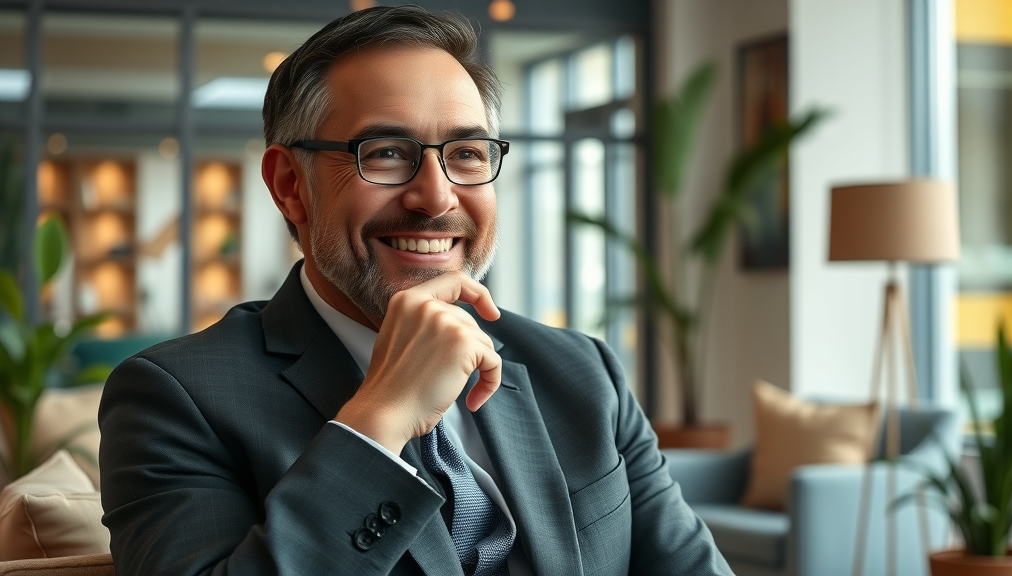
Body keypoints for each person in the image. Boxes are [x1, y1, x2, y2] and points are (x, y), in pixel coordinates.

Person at [98, 5, 732, 576]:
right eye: (386, 152)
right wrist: (381, 418)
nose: (436, 196)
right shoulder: (174, 399)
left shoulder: (584, 373)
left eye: (467, 154)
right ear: (291, 184)